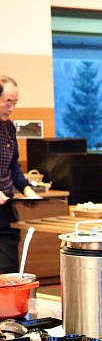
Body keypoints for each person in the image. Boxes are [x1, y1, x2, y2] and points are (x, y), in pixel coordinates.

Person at [0, 76, 37, 273]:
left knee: (9, 272)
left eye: (15, 102)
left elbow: (14, 165)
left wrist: (26, 189)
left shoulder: (8, 128)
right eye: (8, 102)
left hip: (5, 209)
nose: (12, 107)